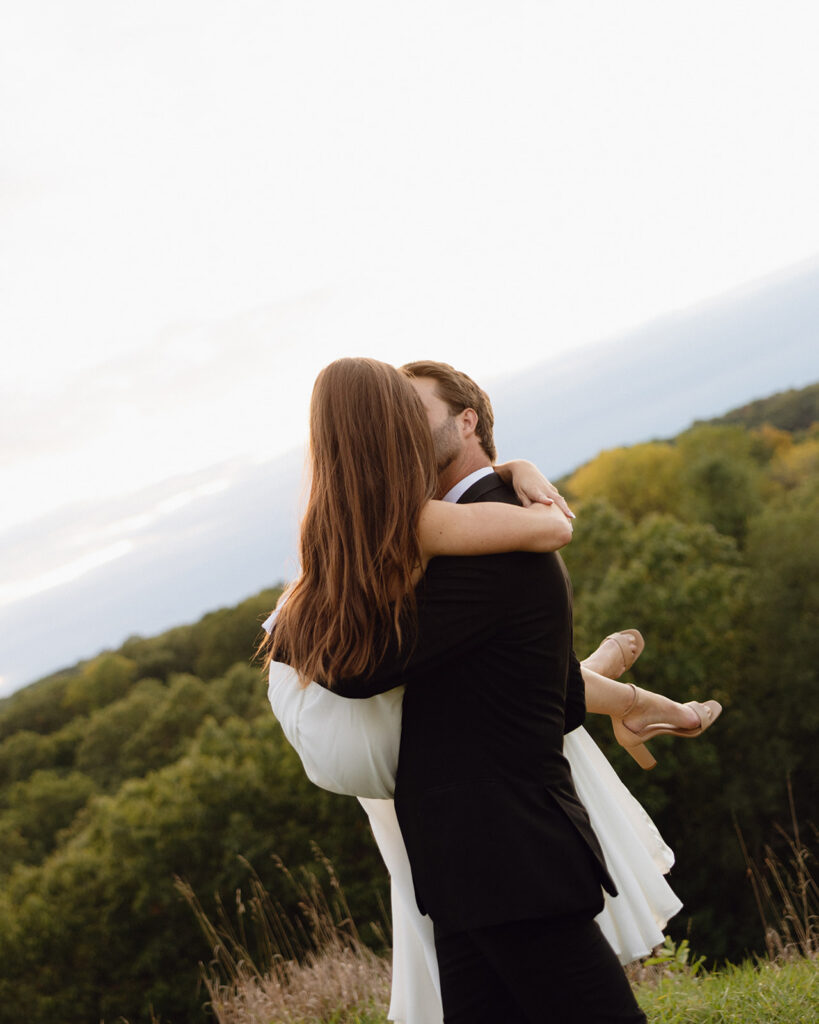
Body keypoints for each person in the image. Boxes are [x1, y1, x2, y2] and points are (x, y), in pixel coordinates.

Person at [264, 358, 721, 1023]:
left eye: (413, 414)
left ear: (465, 423)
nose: (406, 433)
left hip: (507, 858)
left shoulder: (494, 533)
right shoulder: (464, 522)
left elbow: (362, 669)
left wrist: (287, 624)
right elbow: (538, 691)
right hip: (469, 865)